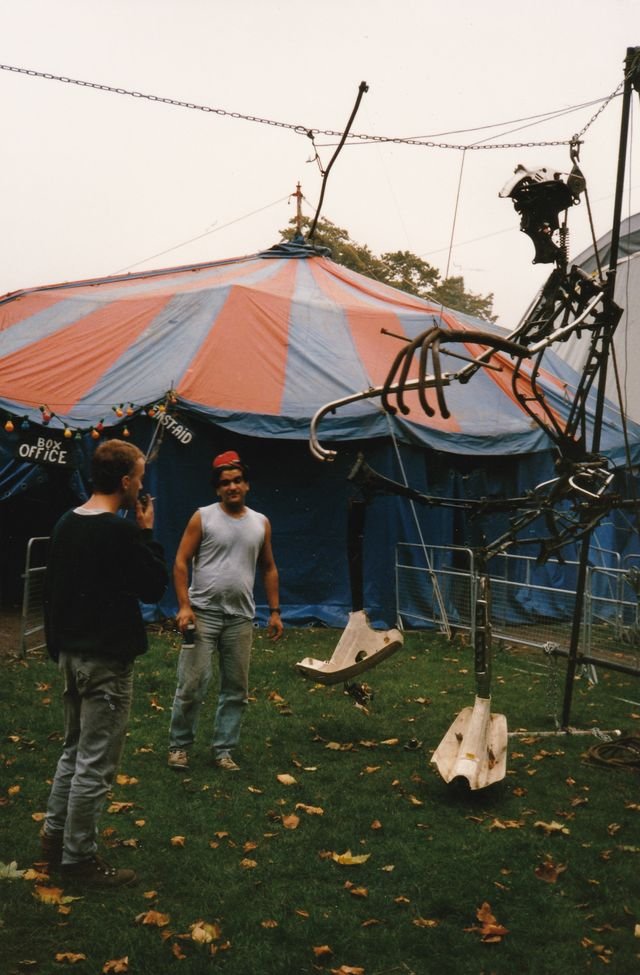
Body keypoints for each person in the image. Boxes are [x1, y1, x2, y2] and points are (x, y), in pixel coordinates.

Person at [40, 439, 168, 888]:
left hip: (72, 655)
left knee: (73, 751)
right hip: (106, 661)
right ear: (125, 481)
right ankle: (78, 860)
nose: (141, 485)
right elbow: (154, 586)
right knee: (95, 762)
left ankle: (53, 841)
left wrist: (58, 648)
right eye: (139, 477)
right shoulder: (119, 531)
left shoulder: (65, 524)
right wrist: (147, 532)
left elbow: (51, 594)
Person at [168, 449, 283, 772]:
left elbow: (269, 568)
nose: (232, 487)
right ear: (217, 488)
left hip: (241, 618)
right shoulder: (203, 517)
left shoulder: (261, 523)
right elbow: (179, 562)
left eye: (237, 481)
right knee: (192, 684)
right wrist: (184, 607)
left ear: (247, 485)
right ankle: (179, 746)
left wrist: (274, 611)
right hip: (202, 614)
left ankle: (223, 750)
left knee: (236, 688)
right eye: (225, 483)